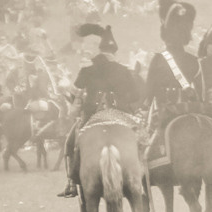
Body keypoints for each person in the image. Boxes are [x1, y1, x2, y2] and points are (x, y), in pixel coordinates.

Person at [57, 23, 146, 197]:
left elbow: (75, 90)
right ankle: (140, 179)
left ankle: (72, 183)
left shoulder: (88, 69)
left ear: (100, 50)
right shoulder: (124, 70)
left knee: (71, 144)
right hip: (122, 116)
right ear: (115, 52)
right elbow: (136, 96)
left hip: (93, 116)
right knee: (142, 141)